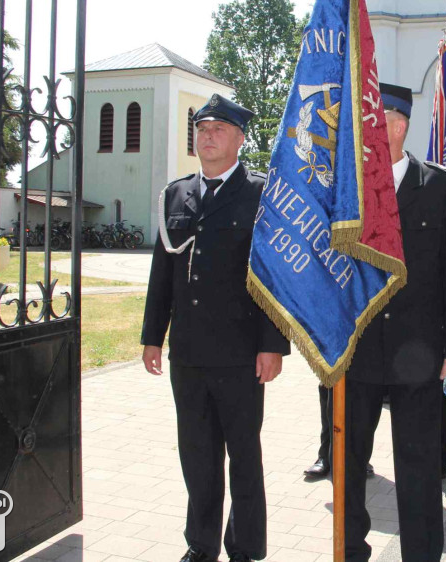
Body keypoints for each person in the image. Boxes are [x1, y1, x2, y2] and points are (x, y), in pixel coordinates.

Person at [140, 94, 290, 562]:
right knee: (198, 459)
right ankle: (200, 546)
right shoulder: (175, 194)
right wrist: (152, 335)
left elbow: (273, 275)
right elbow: (162, 271)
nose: (207, 136)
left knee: (244, 457)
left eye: (218, 129)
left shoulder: (261, 193)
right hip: (188, 351)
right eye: (202, 128)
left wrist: (272, 345)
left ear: (240, 139)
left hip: (242, 353)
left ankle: (244, 548)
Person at [344, 83, 446, 562]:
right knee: (350, 462)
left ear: (399, 125)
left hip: (420, 356)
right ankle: (349, 549)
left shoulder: (437, 186)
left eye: (380, 123)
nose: (371, 132)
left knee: (418, 468)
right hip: (356, 350)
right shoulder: (348, 186)